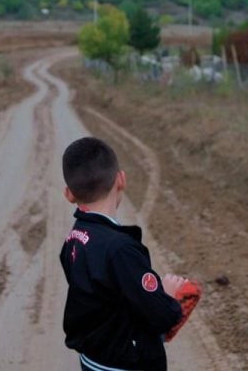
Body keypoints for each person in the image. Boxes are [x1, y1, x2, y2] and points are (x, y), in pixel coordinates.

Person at [59, 137, 188, 371]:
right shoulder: (121, 249)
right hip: (125, 364)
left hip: (92, 360)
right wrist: (168, 297)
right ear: (121, 179)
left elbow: (105, 298)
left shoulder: (74, 238)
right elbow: (161, 316)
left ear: (69, 194)